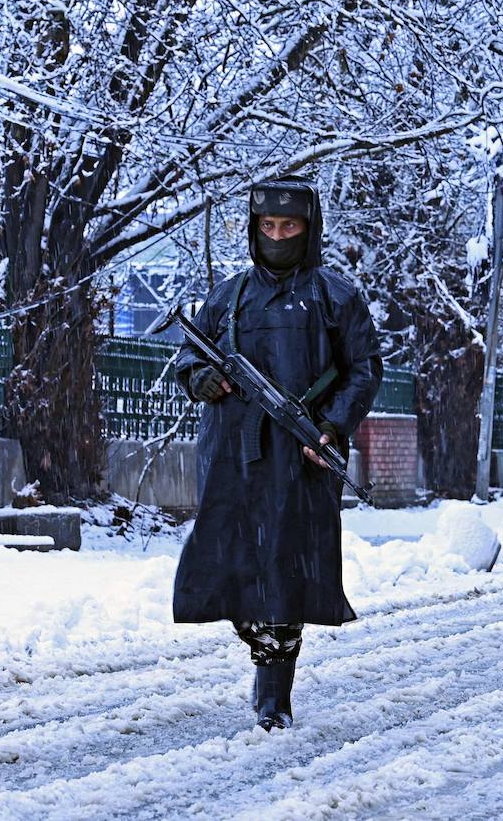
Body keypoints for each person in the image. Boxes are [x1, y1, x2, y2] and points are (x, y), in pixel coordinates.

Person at [172, 176, 383, 731]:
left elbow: (364, 370)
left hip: (302, 457)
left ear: (309, 229)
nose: (278, 235)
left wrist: (333, 426)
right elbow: (186, 361)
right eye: (268, 226)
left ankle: (274, 691)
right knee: (235, 566)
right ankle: (259, 650)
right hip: (232, 459)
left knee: (287, 572)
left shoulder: (336, 297)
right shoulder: (230, 296)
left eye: (289, 226)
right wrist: (205, 380)